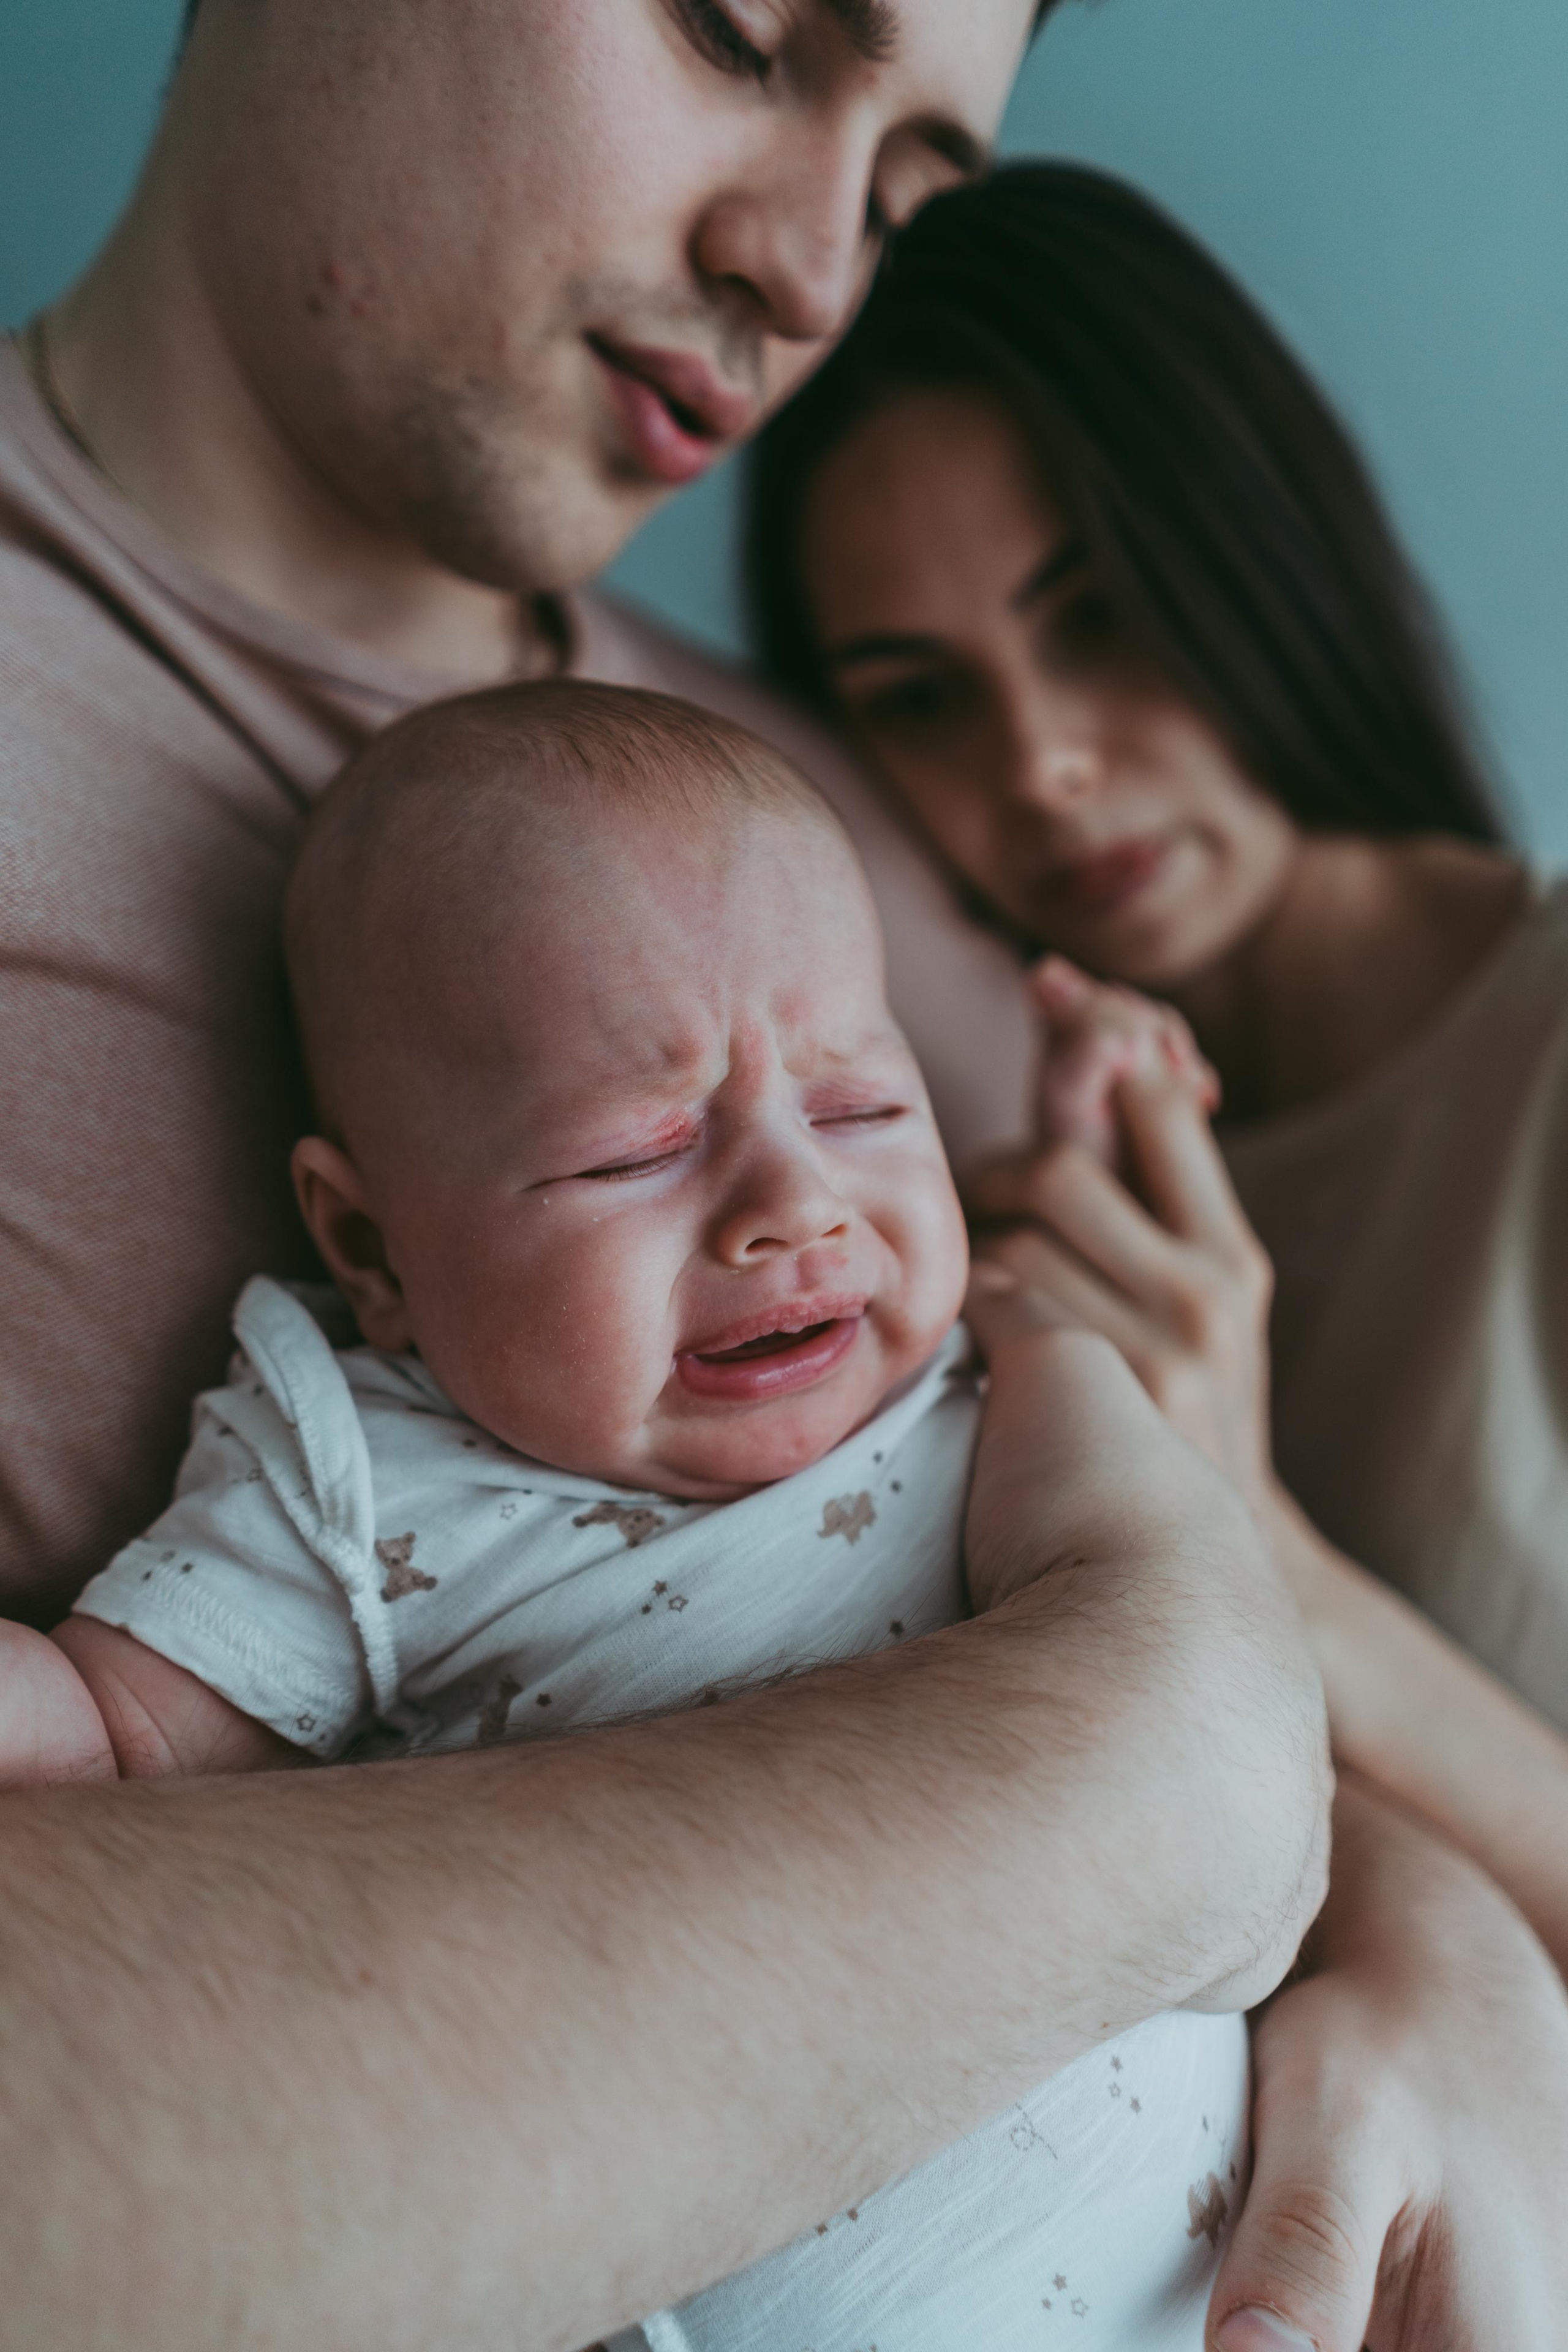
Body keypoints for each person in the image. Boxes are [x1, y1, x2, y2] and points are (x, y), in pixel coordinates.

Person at [0, 6, 1560, 2342]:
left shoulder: (852, 835)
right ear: (362, 1239)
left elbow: (1209, 1560)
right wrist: (1173, 1784)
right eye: (739, 31)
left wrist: (1448, 1973)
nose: (816, 268)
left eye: (916, 187)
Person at [1, 679, 1327, 2350]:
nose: (796, 1205)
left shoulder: (989, 1384)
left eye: (863, 1110)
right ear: (371, 1252)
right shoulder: (359, 1466)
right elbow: (122, 1735)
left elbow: (1230, 1660)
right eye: (633, 1153)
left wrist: (1087, 1143)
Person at [748, 152, 1568, 2327]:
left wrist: (1258, 1546)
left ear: (1258, 543)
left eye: (1097, 611)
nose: (1043, 764)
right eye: (920, 693)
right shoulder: (1001, 1199)